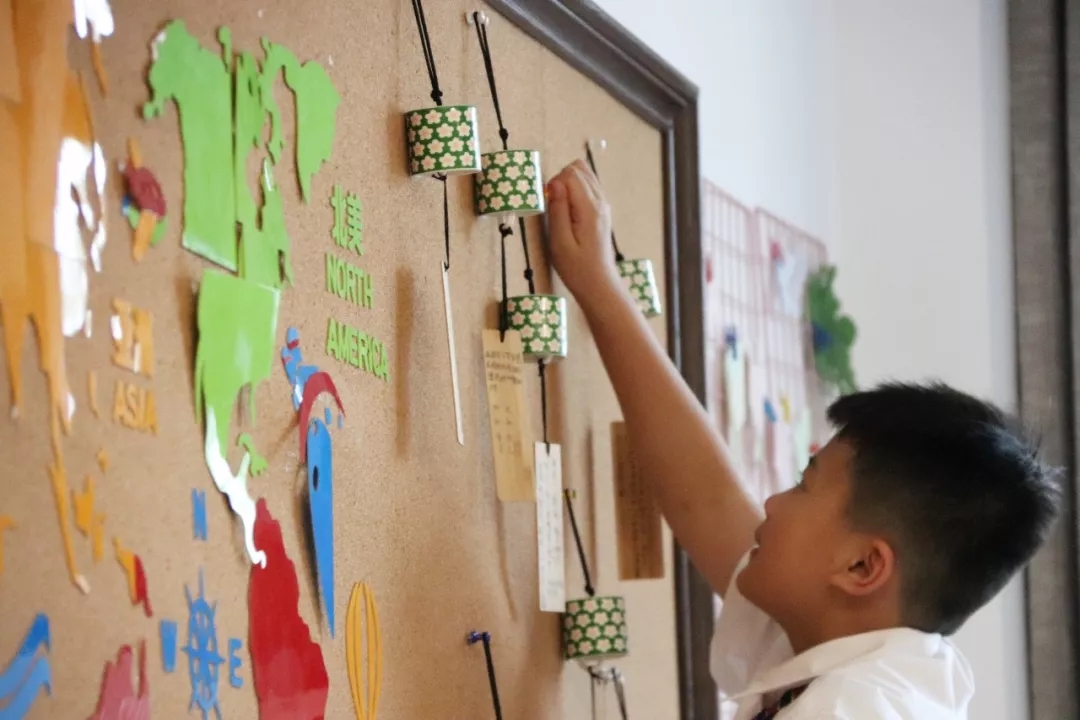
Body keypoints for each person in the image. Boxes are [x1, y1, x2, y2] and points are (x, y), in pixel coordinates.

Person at [543, 159, 1062, 720]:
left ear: (862, 567)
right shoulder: (863, 642)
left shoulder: (849, 708)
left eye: (802, 485)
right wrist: (599, 286)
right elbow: (708, 501)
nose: (771, 502)